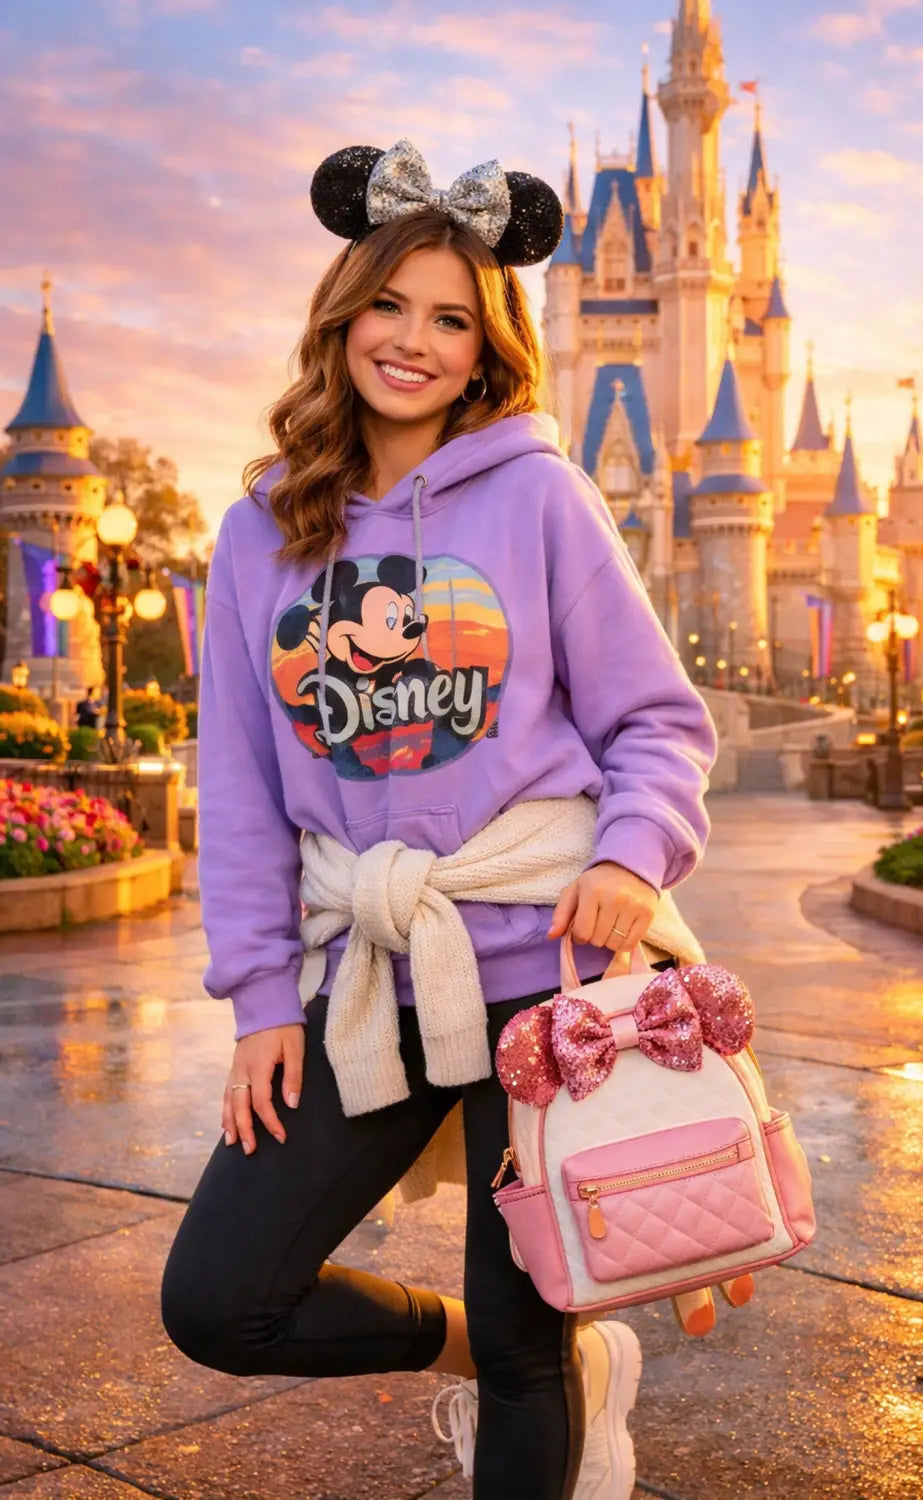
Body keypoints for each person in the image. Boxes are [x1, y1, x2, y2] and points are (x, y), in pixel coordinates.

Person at [160, 138, 717, 1500]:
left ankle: (534, 1365)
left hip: (551, 981)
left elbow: (660, 723)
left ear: (489, 351)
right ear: (343, 315)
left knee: (536, 1336)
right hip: (367, 974)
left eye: (451, 318)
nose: (413, 341)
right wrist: (256, 1000)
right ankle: (488, 1352)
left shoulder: (539, 493)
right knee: (221, 1301)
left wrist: (628, 858)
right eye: (391, 305)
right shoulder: (258, 533)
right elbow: (235, 786)